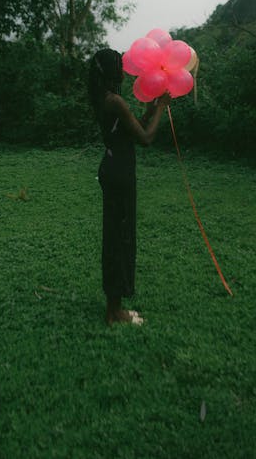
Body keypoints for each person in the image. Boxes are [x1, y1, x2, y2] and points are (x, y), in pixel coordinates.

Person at [88, 48, 170, 325]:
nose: (124, 70)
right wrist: (160, 108)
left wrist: (148, 111)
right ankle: (115, 312)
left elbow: (131, 133)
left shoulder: (105, 99)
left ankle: (114, 306)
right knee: (119, 239)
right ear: (112, 71)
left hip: (114, 169)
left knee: (117, 236)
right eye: (120, 66)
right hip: (119, 174)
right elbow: (146, 139)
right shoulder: (115, 101)